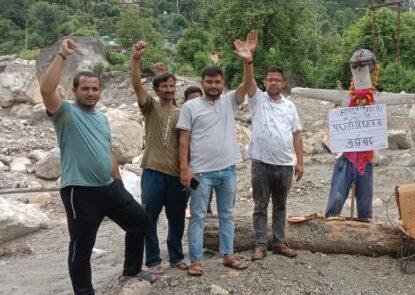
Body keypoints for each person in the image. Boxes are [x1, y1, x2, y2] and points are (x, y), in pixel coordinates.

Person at [40, 38, 154, 294]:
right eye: (86, 89)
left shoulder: (102, 118)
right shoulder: (65, 112)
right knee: (82, 247)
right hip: (79, 191)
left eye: (95, 89)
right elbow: (47, 91)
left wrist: (119, 184)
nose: (91, 93)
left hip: (109, 188)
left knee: (139, 220)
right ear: (75, 90)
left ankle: (131, 270)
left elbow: (108, 151)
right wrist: (61, 55)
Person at [176, 31, 258, 275]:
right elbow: (184, 139)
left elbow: (247, 85)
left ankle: (228, 255)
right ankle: (197, 260)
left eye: (218, 82)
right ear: (202, 83)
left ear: (223, 84)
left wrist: (248, 60)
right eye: (209, 82)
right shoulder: (191, 106)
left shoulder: (230, 100)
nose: (214, 86)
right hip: (200, 172)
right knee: (198, 216)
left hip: (228, 170)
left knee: (227, 215)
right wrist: (184, 168)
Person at [130, 41, 189, 274]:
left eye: (171, 85)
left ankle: (176, 257)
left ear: (175, 87)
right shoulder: (151, 108)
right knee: (148, 218)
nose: (168, 88)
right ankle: (153, 261)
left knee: (177, 219)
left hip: (176, 175)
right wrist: (136, 59)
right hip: (153, 171)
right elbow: (136, 86)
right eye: (164, 85)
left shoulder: (182, 113)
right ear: (157, 90)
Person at [248, 66, 304, 261]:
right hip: (261, 163)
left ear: (283, 83)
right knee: (260, 205)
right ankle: (260, 246)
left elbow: (297, 134)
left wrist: (300, 162)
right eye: (269, 79)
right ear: (264, 83)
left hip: (285, 164)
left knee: (280, 205)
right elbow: (248, 81)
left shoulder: (290, 106)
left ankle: (279, 243)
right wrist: (249, 61)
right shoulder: (257, 99)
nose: (273, 82)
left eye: (277, 79)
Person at [325, 49, 379, 220]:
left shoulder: (377, 98)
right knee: (335, 200)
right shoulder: (344, 97)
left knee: (365, 206)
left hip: (366, 158)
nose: (359, 70)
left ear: (372, 68)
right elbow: (318, 93)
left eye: (363, 66)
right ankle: (330, 234)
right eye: (354, 67)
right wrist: (299, 90)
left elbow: (405, 99)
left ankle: (363, 238)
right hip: (347, 156)